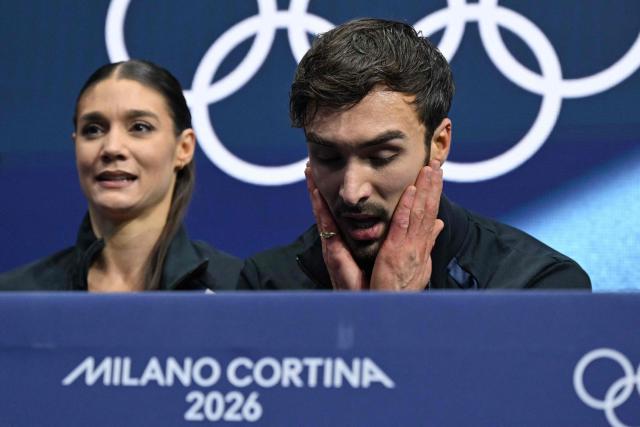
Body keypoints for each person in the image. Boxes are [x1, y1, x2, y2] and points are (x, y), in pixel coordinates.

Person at [238, 18, 591, 291]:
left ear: (439, 144)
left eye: (381, 156)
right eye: (328, 157)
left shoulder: (534, 283)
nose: (351, 191)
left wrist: (393, 320)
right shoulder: (265, 285)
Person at [0, 60, 241, 292]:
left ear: (184, 148)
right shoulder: (16, 296)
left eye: (139, 127)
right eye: (93, 130)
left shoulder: (236, 289)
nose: (112, 147)